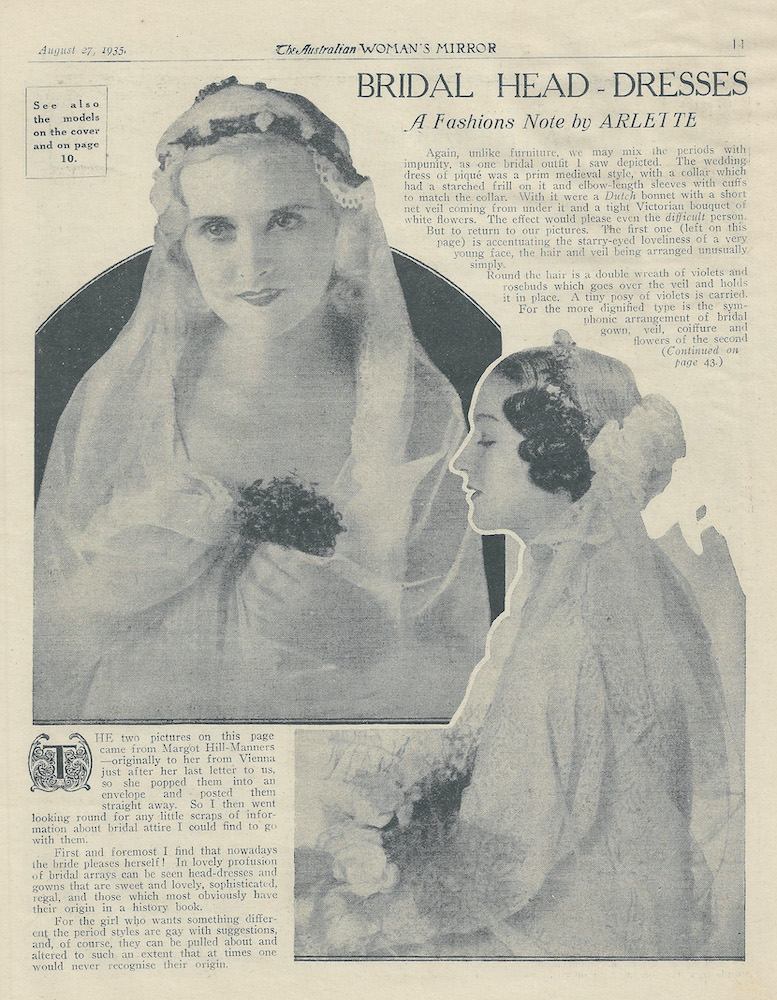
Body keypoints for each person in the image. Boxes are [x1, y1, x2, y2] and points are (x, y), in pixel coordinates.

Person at [34, 79, 491, 721]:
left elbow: (477, 679)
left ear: (341, 221)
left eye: (284, 220)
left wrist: (367, 644)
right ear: (181, 246)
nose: (253, 266)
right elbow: (38, 658)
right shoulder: (125, 396)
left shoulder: (415, 408)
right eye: (218, 229)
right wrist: (96, 598)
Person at [295, 331, 744, 958]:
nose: (460, 462)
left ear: (558, 454)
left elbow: (506, 854)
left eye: (485, 437)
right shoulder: (596, 575)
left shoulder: (577, 619)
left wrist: (377, 877)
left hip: (564, 936)